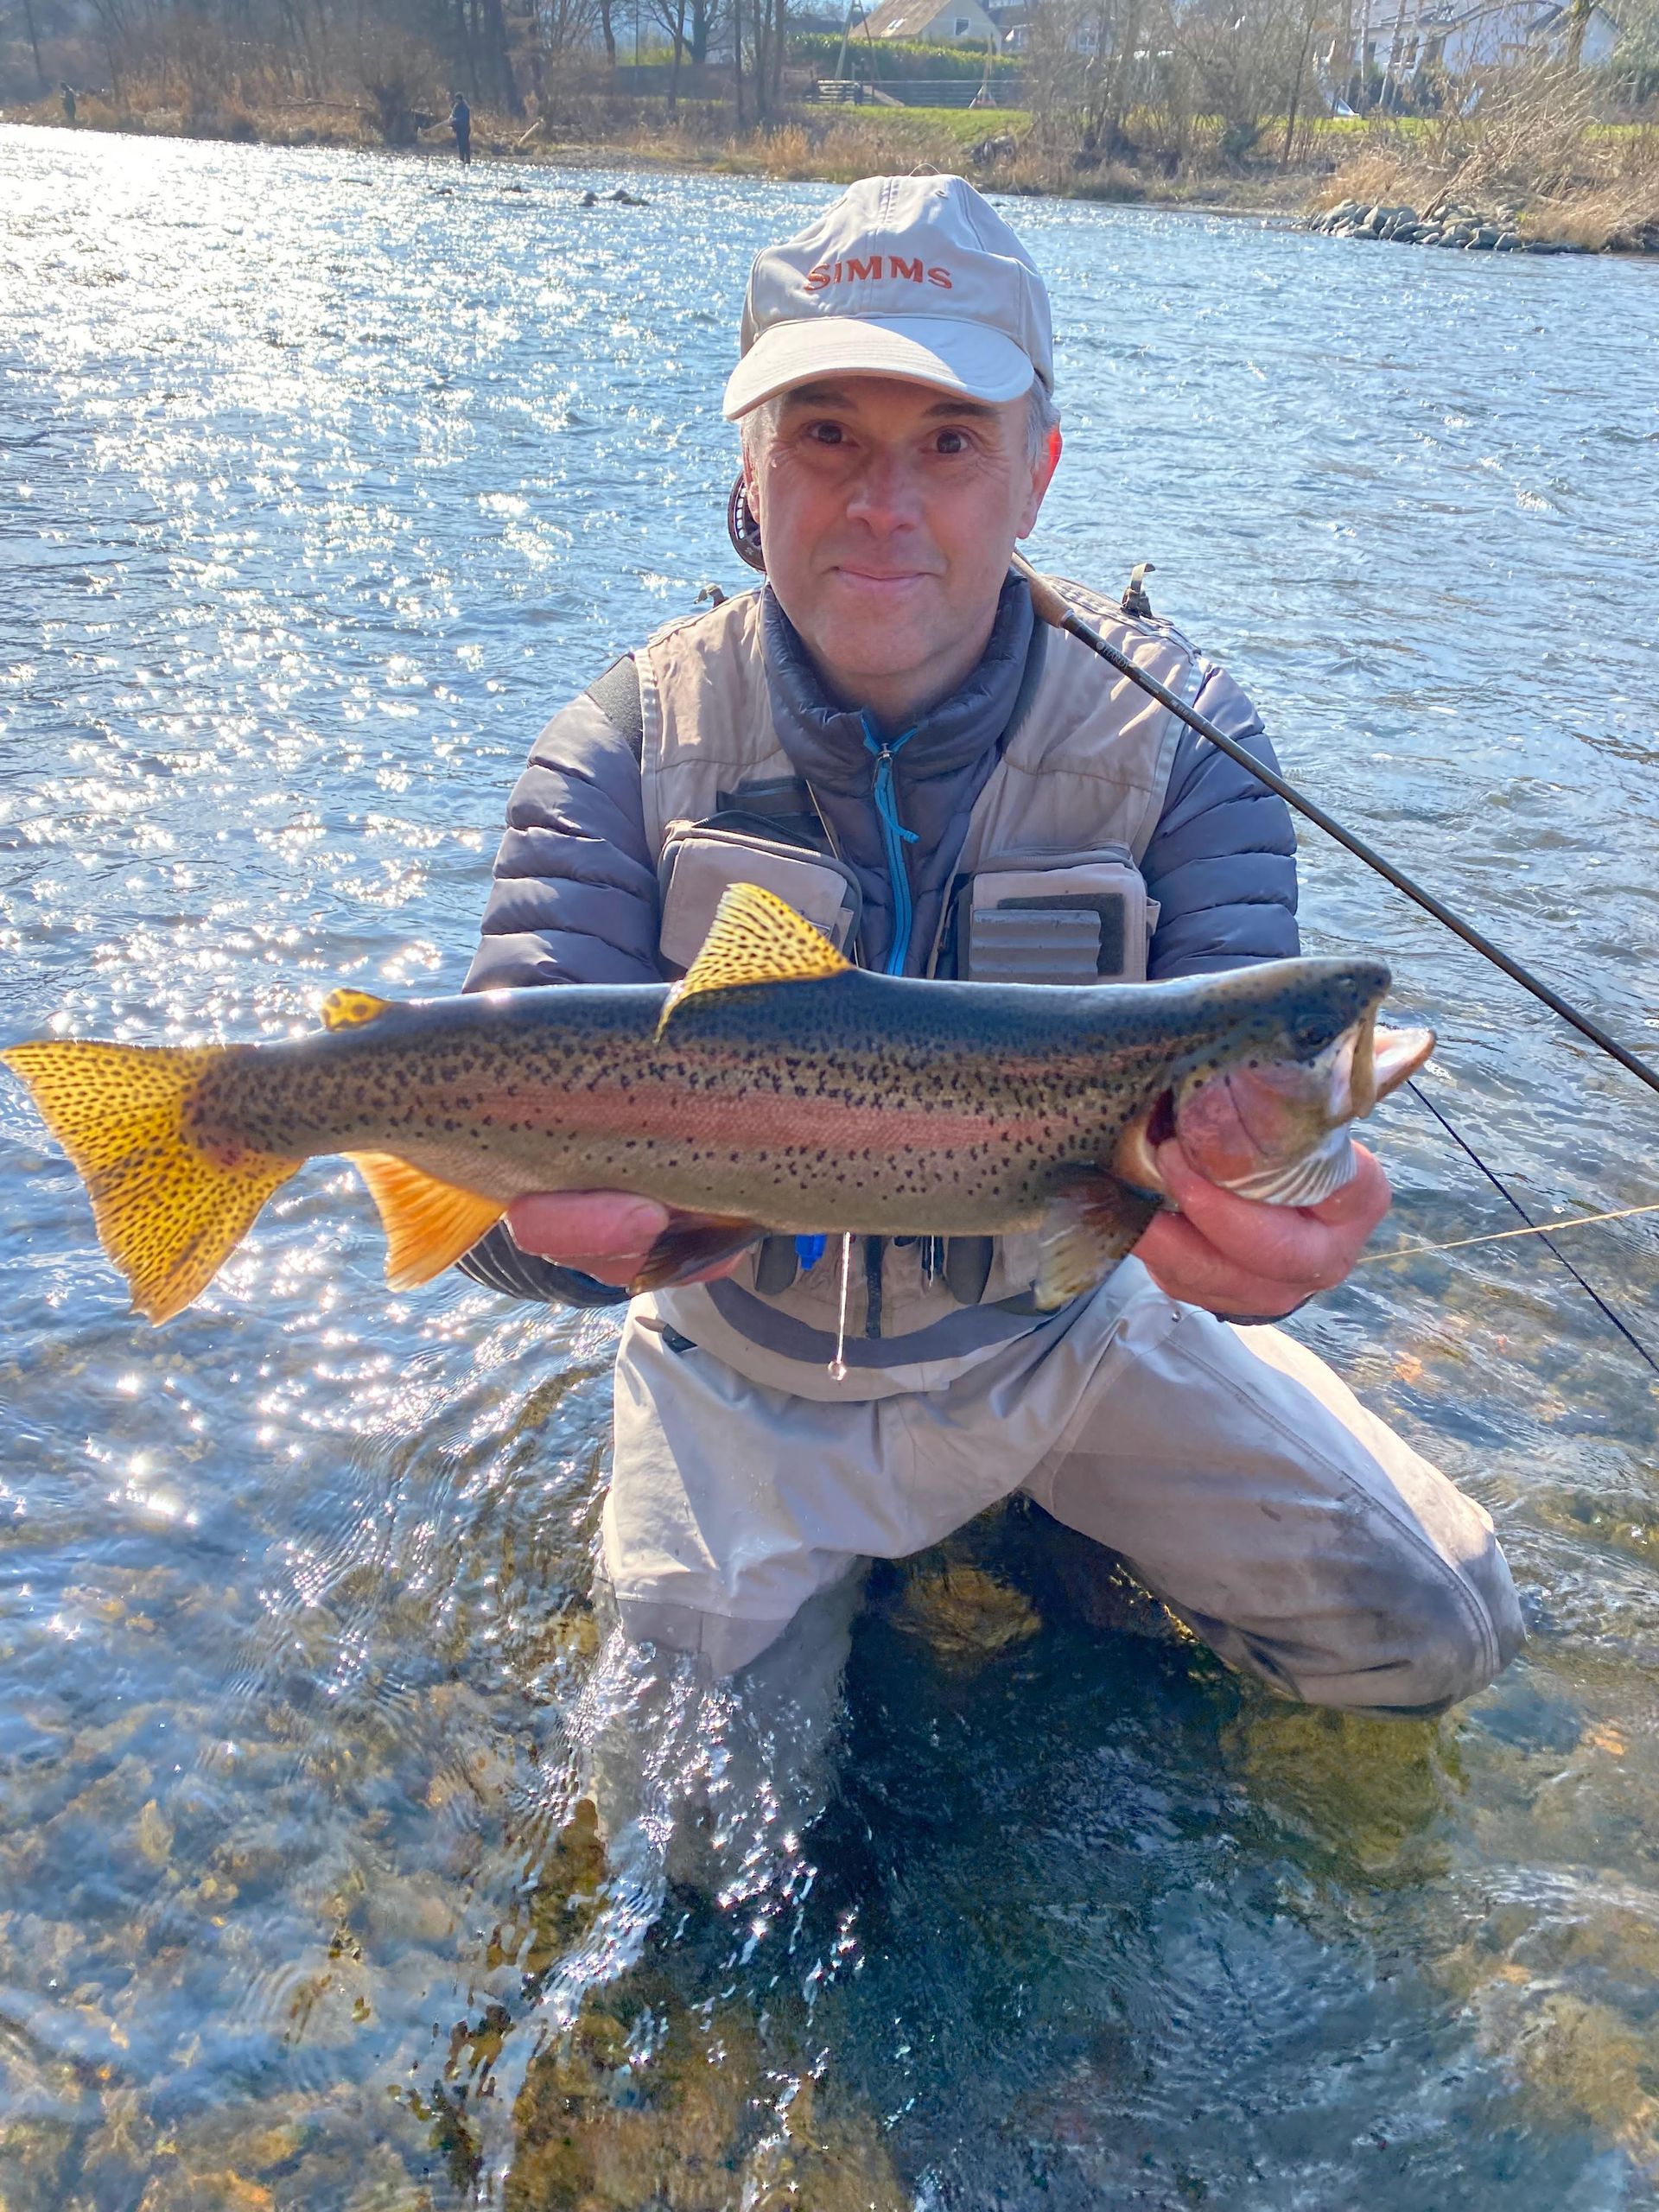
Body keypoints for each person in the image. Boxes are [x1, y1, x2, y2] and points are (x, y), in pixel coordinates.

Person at [460, 175, 1523, 1719]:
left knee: (1439, 1637)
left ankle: (1069, 1536)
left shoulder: (1187, 743)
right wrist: (553, 1238)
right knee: (686, 1830)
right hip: (734, 1381)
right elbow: (477, 1194)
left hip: (1066, 1346)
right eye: (827, 432)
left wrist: (1273, 1247)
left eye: (951, 442)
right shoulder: (621, 746)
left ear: (1039, 471)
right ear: (750, 468)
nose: (885, 503)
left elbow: (1241, 1102)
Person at [448, 91, 471, 165]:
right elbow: (452, 114)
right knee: (460, 144)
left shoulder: (465, 108)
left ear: (460, 99)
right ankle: (461, 159)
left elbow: (463, 118)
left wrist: (455, 120)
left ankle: (467, 160)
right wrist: (451, 118)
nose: (456, 101)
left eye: (457, 99)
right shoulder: (456, 106)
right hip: (458, 129)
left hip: (465, 129)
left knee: (465, 144)